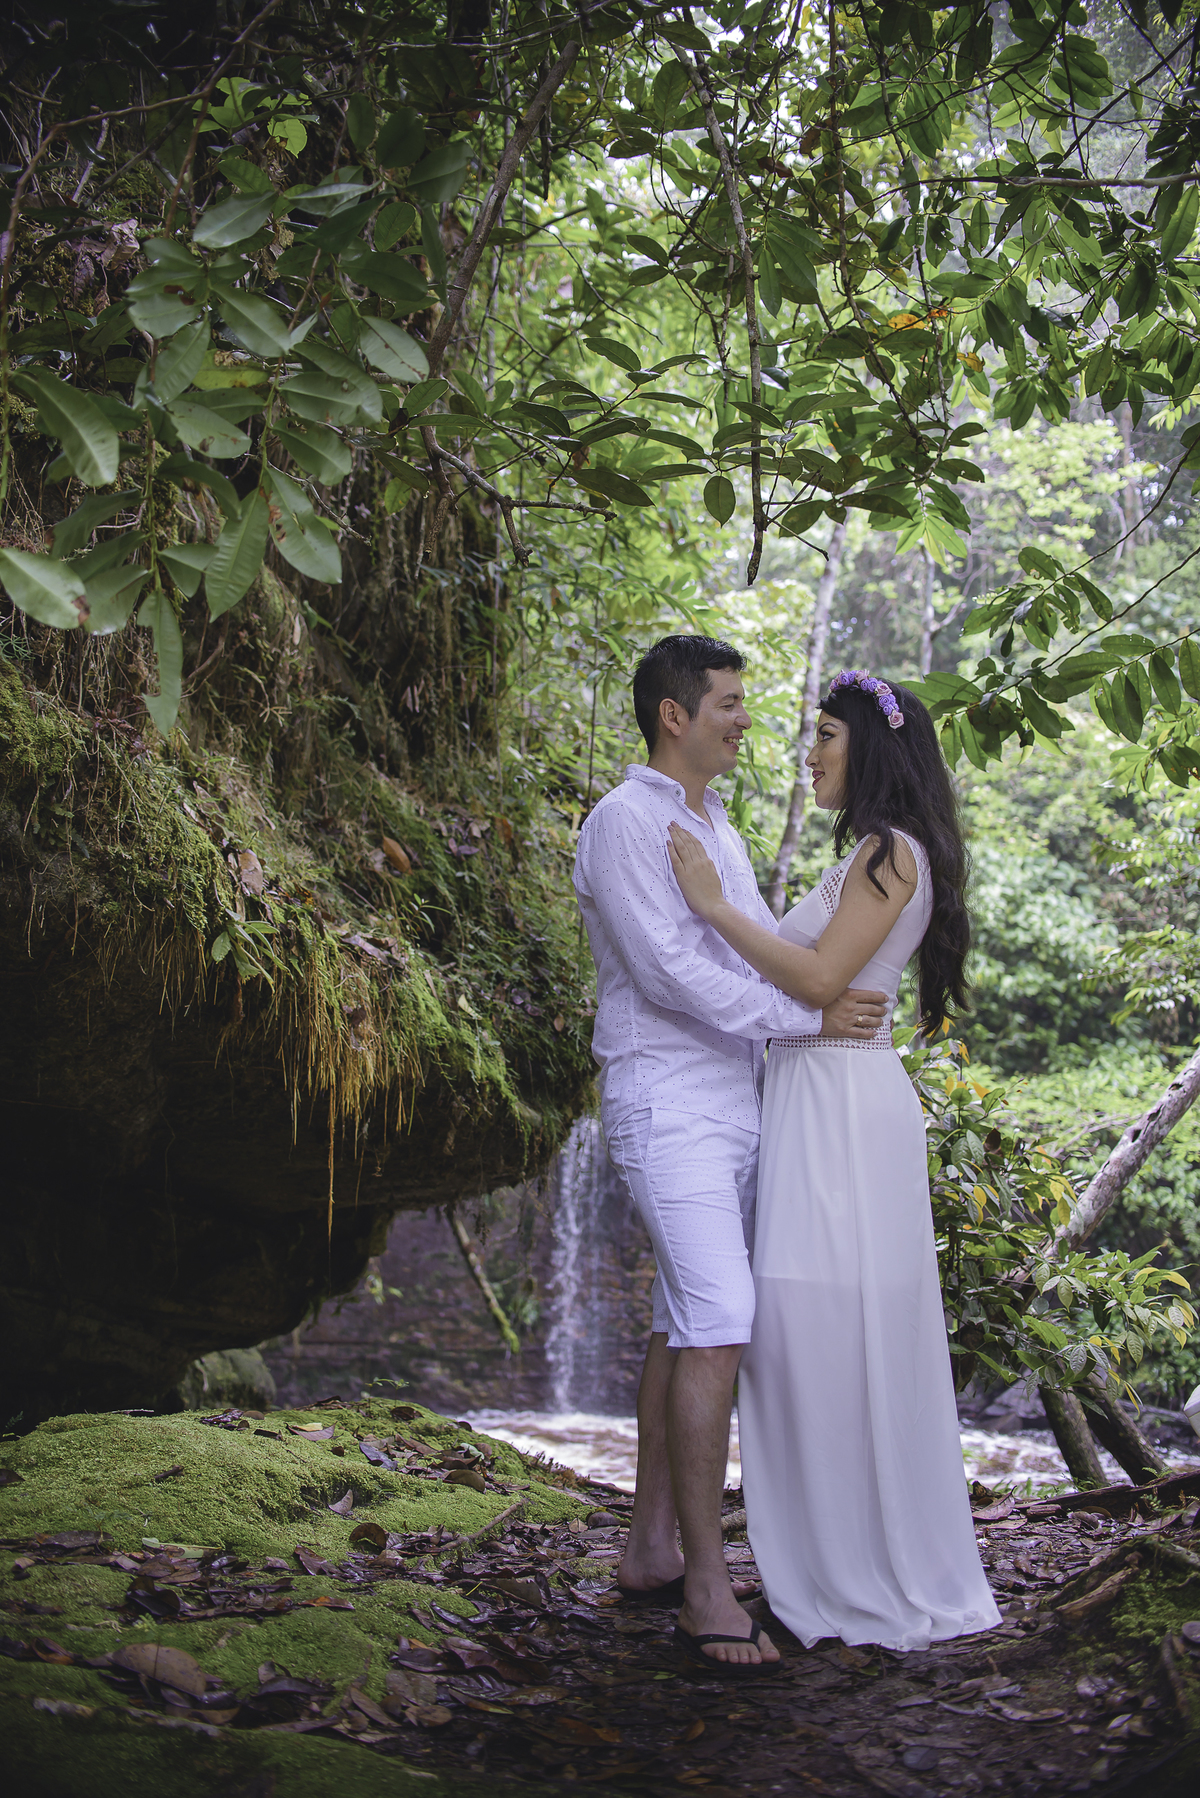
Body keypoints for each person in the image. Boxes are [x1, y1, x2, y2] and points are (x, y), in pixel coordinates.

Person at [667, 670, 1001, 1652]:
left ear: (869, 746)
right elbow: (810, 984)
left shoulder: (892, 852)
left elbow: (819, 975)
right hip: (814, 1098)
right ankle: (818, 1557)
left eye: (823, 736)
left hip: (846, 1108)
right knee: (808, 1337)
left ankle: (855, 1567)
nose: (807, 753)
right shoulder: (864, 851)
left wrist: (714, 903)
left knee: (830, 1332)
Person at [573, 637, 890, 1669]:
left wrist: (809, 1002)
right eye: (730, 704)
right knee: (719, 1321)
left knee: (682, 1322)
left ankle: (650, 1546)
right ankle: (710, 1587)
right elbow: (669, 973)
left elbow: (757, 946)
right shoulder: (625, 823)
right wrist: (807, 1022)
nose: (746, 721)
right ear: (675, 715)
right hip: (666, 1102)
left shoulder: (716, 829)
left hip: (739, 1105)